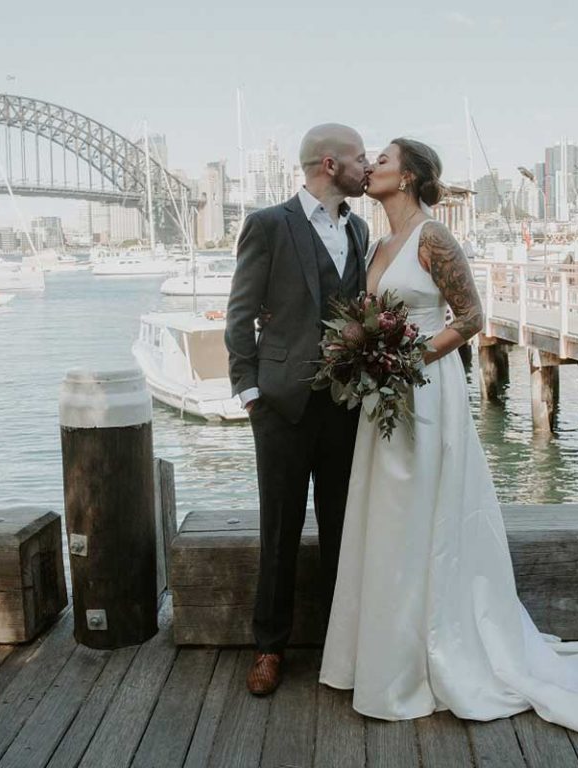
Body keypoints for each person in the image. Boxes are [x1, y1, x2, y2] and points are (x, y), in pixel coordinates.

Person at [320, 138, 578, 738]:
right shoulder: (378, 242)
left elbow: (470, 318)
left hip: (423, 390)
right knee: (388, 519)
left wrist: (405, 360)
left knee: (423, 511)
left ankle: (432, 655)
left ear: (411, 177)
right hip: (383, 397)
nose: (372, 168)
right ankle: (386, 657)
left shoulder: (431, 237)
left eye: (385, 161)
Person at [225, 123, 371, 695]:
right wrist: (250, 391)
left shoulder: (359, 228)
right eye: (361, 158)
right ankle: (268, 647)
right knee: (279, 529)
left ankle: (343, 645)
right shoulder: (268, 224)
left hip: (344, 406)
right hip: (281, 406)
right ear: (331, 165)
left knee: (342, 529)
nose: (368, 166)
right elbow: (239, 315)